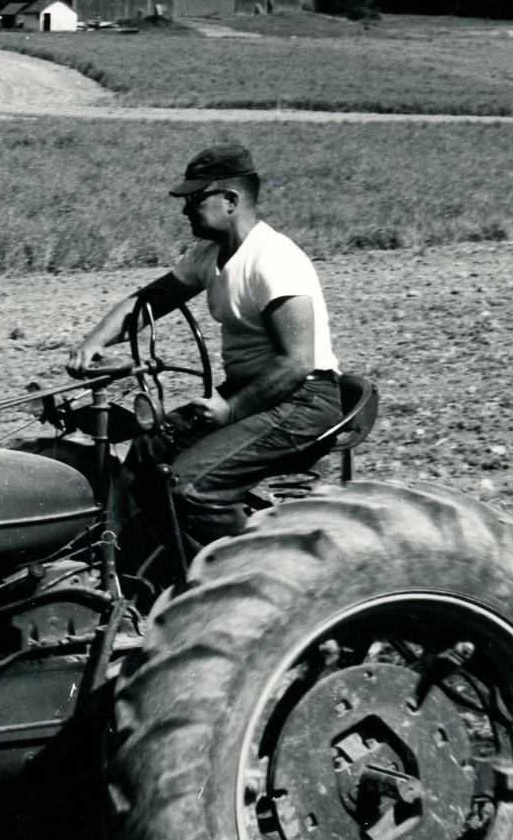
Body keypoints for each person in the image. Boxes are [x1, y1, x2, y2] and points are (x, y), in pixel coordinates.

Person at [66, 145, 341, 552]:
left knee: (192, 487)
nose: (185, 210)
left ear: (231, 201)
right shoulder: (209, 254)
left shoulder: (275, 260)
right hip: (257, 391)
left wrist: (230, 409)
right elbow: (149, 300)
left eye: (195, 199)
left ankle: (254, 573)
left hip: (303, 399)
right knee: (148, 449)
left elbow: (297, 361)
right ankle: (129, 565)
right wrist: (94, 342)